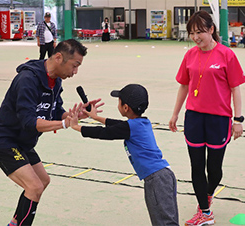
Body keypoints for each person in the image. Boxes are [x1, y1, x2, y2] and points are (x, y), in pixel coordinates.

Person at [0, 39, 101, 226]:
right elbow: (29, 123)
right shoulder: (27, 80)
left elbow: (55, 111)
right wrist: (64, 124)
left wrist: (78, 116)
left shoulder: (55, 82)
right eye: (75, 65)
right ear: (58, 57)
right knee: (34, 186)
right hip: (4, 140)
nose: (75, 72)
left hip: (22, 142)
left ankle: (15, 222)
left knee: (42, 180)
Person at [169, 11, 245, 226]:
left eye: (200, 32)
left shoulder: (227, 55)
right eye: (192, 33)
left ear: (211, 30)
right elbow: (184, 85)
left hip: (219, 120)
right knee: (196, 166)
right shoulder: (190, 55)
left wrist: (238, 120)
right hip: (194, 117)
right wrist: (175, 113)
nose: (196, 37)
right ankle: (205, 212)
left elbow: (235, 88)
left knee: (214, 168)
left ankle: (208, 194)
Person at [68, 84, 179, 226]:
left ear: (125, 108)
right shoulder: (142, 122)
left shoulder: (129, 128)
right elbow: (117, 125)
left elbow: (103, 133)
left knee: (164, 223)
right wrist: (95, 117)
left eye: (119, 101)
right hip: (163, 176)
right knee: (166, 221)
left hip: (157, 179)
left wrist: (76, 126)